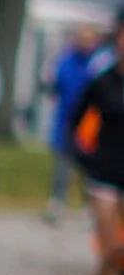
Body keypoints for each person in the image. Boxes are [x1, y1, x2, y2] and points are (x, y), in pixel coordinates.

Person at [70, 10, 124, 275]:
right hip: (103, 176)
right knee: (110, 249)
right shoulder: (102, 82)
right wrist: (85, 158)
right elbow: (77, 122)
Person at [45, 23, 103, 222]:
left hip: (90, 122)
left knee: (88, 165)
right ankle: (58, 201)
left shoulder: (97, 64)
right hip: (68, 118)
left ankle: (89, 204)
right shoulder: (66, 61)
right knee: (63, 163)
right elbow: (55, 83)